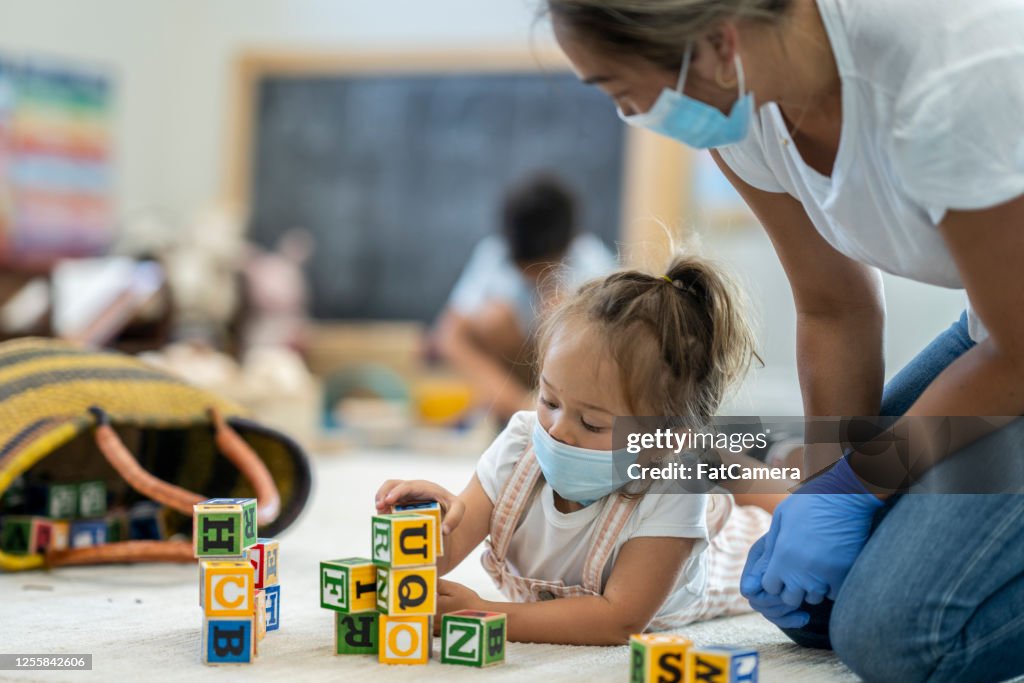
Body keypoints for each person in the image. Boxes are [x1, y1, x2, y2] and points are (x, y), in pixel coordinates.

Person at [544, 0, 1024, 680]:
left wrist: (858, 484)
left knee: (897, 635)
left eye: (622, 91)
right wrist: (830, 481)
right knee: (811, 605)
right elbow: (835, 307)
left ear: (713, 42)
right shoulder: (738, 105)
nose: (631, 115)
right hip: (1002, 328)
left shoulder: (945, 76)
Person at [379, 255, 780, 644]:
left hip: (729, 546)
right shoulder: (521, 443)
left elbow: (617, 619)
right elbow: (437, 559)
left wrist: (484, 613)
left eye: (592, 423)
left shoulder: (670, 487)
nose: (557, 430)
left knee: (787, 519)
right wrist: (429, 526)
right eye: (549, 401)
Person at [435, 173, 617, 422]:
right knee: (494, 319)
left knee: (566, 313)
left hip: (569, 381)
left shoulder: (591, 263)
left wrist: (560, 319)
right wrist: (513, 400)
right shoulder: (495, 255)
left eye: (542, 268)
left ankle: (558, 411)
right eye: (525, 269)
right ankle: (524, 410)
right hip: (515, 386)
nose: (532, 277)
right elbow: (449, 334)